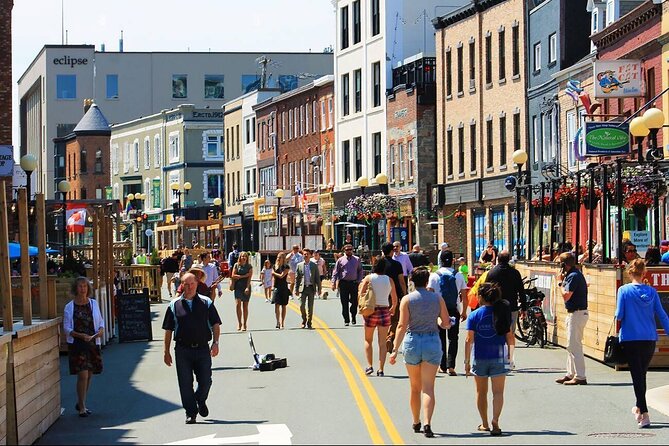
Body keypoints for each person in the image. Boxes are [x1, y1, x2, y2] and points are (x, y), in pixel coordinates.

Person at [389, 267, 452, 438]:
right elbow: (445, 322)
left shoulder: (407, 300)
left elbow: (402, 326)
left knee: (414, 387)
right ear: (427, 282)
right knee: (428, 388)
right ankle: (427, 423)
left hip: (413, 341)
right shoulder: (437, 298)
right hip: (431, 340)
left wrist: (394, 349)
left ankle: (416, 421)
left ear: (412, 282)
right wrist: (441, 321)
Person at [616, 259, 669, 428]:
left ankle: (644, 413)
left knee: (637, 375)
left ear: (630, 272)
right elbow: (662, 315)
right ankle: (639, 407)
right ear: (643, 272)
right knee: (642, 374)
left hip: (631, 337)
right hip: (649, 337)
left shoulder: (623, 290)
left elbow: (619, 314)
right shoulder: (652, 292)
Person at [162, 272, 221, 424]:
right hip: (182, 350)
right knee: (185, 382)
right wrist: (166, 352)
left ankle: (200, 399)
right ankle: (191, 412)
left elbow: (215, 323)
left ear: (197, 284)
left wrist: (216, 343)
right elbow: (168, 330)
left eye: (191, 284)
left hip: (202, 349)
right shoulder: (174, 305)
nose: (188, 288)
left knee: (206, 381)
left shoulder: (206, 302)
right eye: (185, 285)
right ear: (181, 285)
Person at [464, 283, 514, 436]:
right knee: (498, 392)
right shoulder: (503, 314)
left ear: (480, 297)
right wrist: (510, 357)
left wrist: (466, 362)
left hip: (480, 356)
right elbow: (510, 337)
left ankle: (485, 423)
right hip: (499, 354)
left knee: (481, 392)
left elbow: (469, 339)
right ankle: (496, 421)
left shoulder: (474, 315)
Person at [63, 277, 105, 417]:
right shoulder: (69, 307)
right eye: (80, 286)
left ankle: (81, 402)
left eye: (85, 286)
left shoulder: (93, 304)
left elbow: (100, 321)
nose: (83, 289)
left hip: (92, 343)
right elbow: (67, 328)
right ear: (76, 288)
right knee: (83, 374)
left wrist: (100, 330)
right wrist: (80, 336)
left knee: (90, 374)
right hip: (78, 344)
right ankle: (82, 406)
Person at [427, 249, 468, 375]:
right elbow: (465, 296)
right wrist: (464, 311)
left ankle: (442, 365)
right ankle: (451, 366)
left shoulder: (434, 275)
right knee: (453, 338)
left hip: (439, 310)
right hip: (453, 309)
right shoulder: (458, 275)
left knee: (440, 338)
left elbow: (429, 293)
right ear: (453, 260)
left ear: (440, 260)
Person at [359, 257, 398, 376]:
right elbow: (394, 298)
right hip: (384, 309)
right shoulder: (389, 280)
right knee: (382, 342)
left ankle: (370, 365)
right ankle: (381, 369)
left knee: (368, 340)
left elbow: (361, 294)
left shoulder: (369, 278)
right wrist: (393, 308)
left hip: (371, 310)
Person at [555, 252, 589, 385]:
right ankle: (570, 373)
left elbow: (566, 295)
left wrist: (559, 283)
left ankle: (580, 376)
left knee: (575, 345)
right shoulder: (572, 275)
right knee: (570, 345)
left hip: (577, 313)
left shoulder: (574, 276)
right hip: (574, 313)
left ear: (564, 264)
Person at [485, 250, 526, 339]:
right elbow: (521, 291)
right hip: (512, 306)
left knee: (495, 332)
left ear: (498, 259)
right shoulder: (515, 273)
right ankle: (509, 352)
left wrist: (485, 306)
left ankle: (498, 350)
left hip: (495, 307)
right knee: (510, 334)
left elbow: (486, 290)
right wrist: (524, 308)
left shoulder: (492, 273)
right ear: (508, 260)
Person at [383, 242, 408, 350]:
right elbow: (401, 281)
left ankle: (383, 339)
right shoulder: (396, 264)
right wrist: (405, 293)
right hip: (395, 294)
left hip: (381, 294)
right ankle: (390, 336)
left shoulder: (379, 263)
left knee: (383, 319)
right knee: (394, 319)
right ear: (391, 251)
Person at [332, 243, 364, 326]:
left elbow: (360, 270)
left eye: (350, 249)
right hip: (343, 283)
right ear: (344, 251)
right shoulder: (340, 260)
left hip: (354, 283)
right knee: (344, 302)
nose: (349, 251)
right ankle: (346, 319)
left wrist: (359, 280)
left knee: (354, 302)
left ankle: (353, 316)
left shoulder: (357, 259)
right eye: (347, 250)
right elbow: (336, 272)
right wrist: (333, 283)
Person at [294, 249, 321, 329]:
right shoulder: (299, 265)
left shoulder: (313, 265)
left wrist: (319, 289)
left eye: (307, 254)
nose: (306, 255)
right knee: (302, 306)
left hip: (311, 288)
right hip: (303, 288)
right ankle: (304, 319)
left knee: (310, 306)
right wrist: (296, 289)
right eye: (304, 254)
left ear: (310, 255)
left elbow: (317, 278)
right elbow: (297, 278)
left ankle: (309, 322)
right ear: (303, 255)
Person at [231, 251, 253, 331]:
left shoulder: (249, 266)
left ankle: (244, 324)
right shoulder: (236, 265)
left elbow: (249, 278)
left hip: (245, 286)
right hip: (238, 287)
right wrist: (243, 276)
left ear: (247, 258)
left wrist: (247, 287)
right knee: (238, 304)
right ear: (239, 257)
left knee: (245, 306)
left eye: (245, 256)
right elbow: (233, 275)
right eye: (242, 256)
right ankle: (239, 323)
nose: (243, 258)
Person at [272, 252, 291, 329]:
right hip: (277, 287)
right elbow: (274, 277)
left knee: (283, 305)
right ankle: (277, 322)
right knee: (276, 305)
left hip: (283, 287)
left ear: (283, 258)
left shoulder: (286, 267)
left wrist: (273, 273)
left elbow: (281, 276)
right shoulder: (275, 266)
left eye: (280, 257)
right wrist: (272, 286)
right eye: (278, 257)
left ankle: (282, 322)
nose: (278, 259)